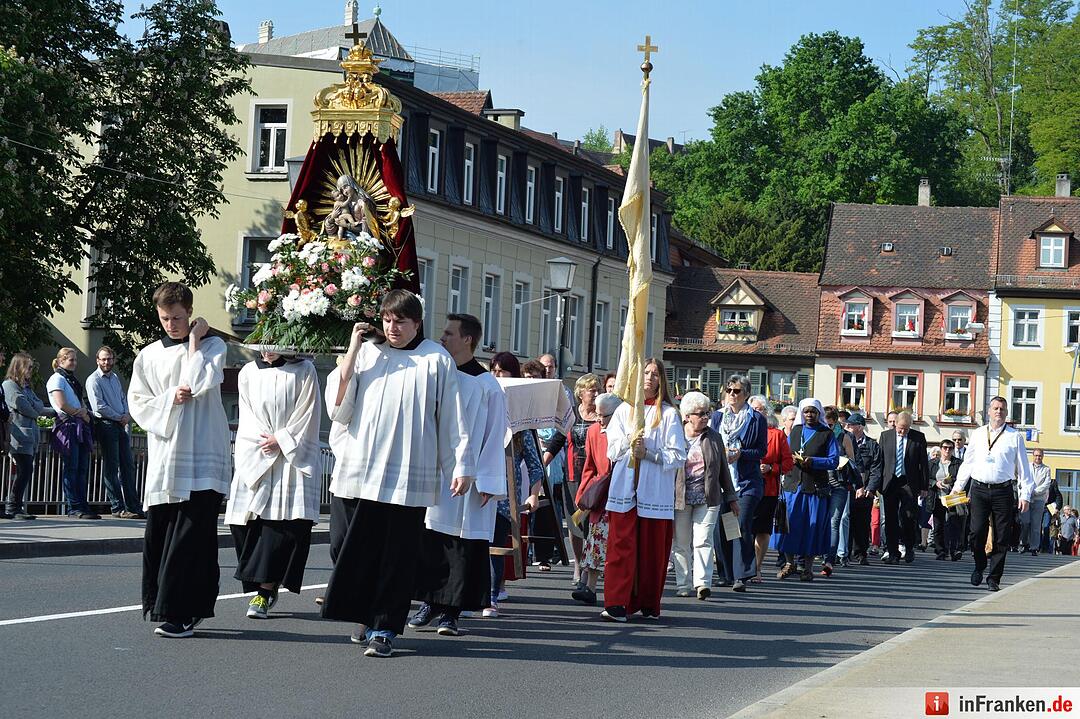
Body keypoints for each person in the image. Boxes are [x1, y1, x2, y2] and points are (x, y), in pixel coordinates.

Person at [322, 290, 472, 658]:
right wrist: (353, 349)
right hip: (361, 469)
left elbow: (452, 418)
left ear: (417, 323)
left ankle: (385, 626)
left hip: (408, 473)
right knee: (346, 545)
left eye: (400, 321)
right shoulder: (368, 355)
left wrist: (461, 465)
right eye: (387, 320)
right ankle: (364, 611)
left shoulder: (435, 360)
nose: (392, 328)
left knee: (396, 555)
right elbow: (339, 408)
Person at [128, 282, 231, 638]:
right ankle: (163, 604)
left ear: (190, 313)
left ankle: (184, 612)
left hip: (202, 456)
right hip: (167, 456)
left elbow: (200, 380)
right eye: (165, 318)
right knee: (161, 533)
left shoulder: (212, 346)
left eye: (178, 317)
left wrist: (194, 342)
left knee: (193, 537)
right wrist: (170, 397)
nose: (171, 324)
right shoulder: (149, 355)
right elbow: (139, 403)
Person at [410, 314, 509, 636]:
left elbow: (496, 436)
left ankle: (451, 612)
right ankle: (429, 602)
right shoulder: (438, 376)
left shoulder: (487, 385)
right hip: (435, 472)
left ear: (467, 339)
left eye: (448, 334)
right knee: (432, 541)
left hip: (471, 476)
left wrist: (488, 481)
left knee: (463, 544)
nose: (442, 338)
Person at [226, 351, 322, 620]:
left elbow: (309, 411)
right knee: (242, 522)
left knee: (279, 527)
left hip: (289, 457)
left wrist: (283, 439)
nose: (268, 349)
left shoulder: (303, 371)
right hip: (256, 449)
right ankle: (261, 584)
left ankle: (265, 592)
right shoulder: (247, 372)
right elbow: (247, 414)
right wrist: (258, 445)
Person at [602, 358, 686, 622]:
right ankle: (616, 603)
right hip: (625, 486)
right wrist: (630, 441)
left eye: (655, 374)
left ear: (662, 380)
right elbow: (612, 450)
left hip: (653, 488)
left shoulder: (669, 414)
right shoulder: (623, 411)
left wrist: (648, 454)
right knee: (620, 547)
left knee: (651, 551)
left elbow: (677, 456)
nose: (649, 378)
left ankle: (648, 601)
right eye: (645, 373)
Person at [948, 396, 1035, 592]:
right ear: (988, 411)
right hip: (979, 489)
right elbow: (968, 463)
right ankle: (979, 564)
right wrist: (957, 488)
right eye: (995, 408)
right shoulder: (978, 434)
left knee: (1002, 536)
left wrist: (1025, 495)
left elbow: (1023, 469)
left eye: (1002, 409)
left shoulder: (1014, 437)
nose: (998, 412)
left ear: (1006, 413)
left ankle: (994, 577)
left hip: (1003, 490)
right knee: (976, 532)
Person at [489, 352, 543, 617]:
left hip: (505, 496)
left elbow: (535, 465)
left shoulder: (521, 426)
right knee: (474, 544)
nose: (497, 376)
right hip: (478, 493)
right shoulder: (483, 412)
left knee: (497, 545)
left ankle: (491, 596)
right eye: (494, 371)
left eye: (503, 371)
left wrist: (534, 495)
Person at [673, 391, 735, 600]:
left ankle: (702, 583)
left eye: (707, 413)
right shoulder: (676, 435)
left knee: (703, 540)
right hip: (680, 497)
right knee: (682, 543)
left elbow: (724, 469)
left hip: (708, 497)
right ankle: (683, 583)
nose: (705, 417)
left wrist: (731, 497)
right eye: (700, 414)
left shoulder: (713, 437)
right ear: (687, 416)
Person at [709, 376, 766, 592]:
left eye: (737, 391)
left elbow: (761, 451)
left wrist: (741, 454)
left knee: (741, 524)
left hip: (747, 481)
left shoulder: (756, 419)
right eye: (729, 390)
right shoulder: (717, 417)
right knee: (722, 528)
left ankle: (742, 575)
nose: (732, 394)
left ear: (746, 394)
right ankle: (726, 573)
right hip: (722, 480)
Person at [772, 399, 839, 581]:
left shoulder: (826, 434)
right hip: (792, 487)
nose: (809, 415)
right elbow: (783, 453)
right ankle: (789, 563)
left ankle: (807, 568)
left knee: (812, 527)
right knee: (788, 525)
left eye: (813, 412)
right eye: (807, 412)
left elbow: (834, 460)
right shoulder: (795, 430)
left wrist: (813, 461)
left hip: (814, 488)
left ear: (819, 414)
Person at [542, 373, 600, 581]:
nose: (595, 393)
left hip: (596, 477)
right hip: (573, 476)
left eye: (597, 389)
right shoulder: (572, 415)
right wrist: (541, 464)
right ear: (580, 393)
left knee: (592, 523)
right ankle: (578, 564)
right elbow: (557, 441)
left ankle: (589, 566)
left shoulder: (603, 416)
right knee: (574, 523)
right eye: (591, 389)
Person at [572, 392, 621, 606]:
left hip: (623, 496)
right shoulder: (593, 431)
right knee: (595, 541)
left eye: (604, 416)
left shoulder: (629, 431)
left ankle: (619, 591)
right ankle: (590, 588)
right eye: (597, 415)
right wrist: (583, 493)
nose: (599, 420)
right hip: (601, 496)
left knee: (619, 547)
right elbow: (589, 466)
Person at [85, 345, 144, 519]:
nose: (106, 362)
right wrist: (119, 416)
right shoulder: (93, 380)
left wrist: (126, 414)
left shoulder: (115, 377)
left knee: (128, 466)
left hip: (119, 424)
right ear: (97, 360)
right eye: (103, 359)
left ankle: (134, 507)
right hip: (106, 425)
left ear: (113, 360)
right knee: (112, 467)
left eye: (109, 359)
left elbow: (122, 398)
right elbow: (99, 407)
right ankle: (118, 507)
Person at [869, 411, 929, 565]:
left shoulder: (918, 438)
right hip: (890, 482)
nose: (903, 432)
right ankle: (892, 552)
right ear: (895, 424)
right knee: (890, 518)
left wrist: (924, 486)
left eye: (906, 429)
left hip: (909, 482)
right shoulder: (885, 436)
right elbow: (879, 462)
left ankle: (909, 548)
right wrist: (875, 484)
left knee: (908, 516)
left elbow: (923, 464)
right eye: (901, 428)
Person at [47, 347, 98, 519]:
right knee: (71, 467)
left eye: (75, 360)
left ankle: (82, 504)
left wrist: (84, 413)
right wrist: (81, 413)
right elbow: (61, 404)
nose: (74, 363)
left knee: (82, 468)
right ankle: (73, 506)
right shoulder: (57, 379)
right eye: (71, 360)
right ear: (61, 361)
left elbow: (77, 401)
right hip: (68, 425)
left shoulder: (71, 380)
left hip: (79, 424)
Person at [4, 352, 54, 520]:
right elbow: (24, 406)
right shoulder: (9, 385)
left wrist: (34, 408)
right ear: (19, 367)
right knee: (23, 470)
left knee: (26, 471)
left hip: (29, 436)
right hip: (18, 436)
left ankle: (16, 506)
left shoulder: (26, 387)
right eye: (29, 367)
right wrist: (34, 409)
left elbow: (38, 405)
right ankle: (13, 506)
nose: (31, 371)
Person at [748, 397, 792, 582]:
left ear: (766, 413)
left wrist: (771, 468)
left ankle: (756, 568)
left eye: (760, 410)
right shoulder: (742, 430)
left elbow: (788, 463)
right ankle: (742, 567)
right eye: (753, 409)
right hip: (745, 486)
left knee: (762, 530)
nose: (757, 413)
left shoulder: (776, 435)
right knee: (744, 528)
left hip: (769, 489)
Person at [821, 406, 859, 575]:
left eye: (830, 424)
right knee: (821, 521)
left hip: (839, 484)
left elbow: (852, 461)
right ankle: (822, 553)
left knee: (834, 522)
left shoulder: (844, 437)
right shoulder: (818, 434)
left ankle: (830, 560)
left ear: (835, 422)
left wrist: (841, 460)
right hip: (821, 483)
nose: (828, 427)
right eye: (825, 423)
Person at [846, 413, 882, 565]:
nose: (847, 427)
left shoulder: (872, 445)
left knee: (862, 522)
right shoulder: (844, 442)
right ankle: (844, 553)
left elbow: (876, 468)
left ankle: (861, 553)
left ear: (859, 427)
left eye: (850, 425)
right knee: (845, 521)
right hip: (848, 488)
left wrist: (871, 488)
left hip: (865, 490)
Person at [928, 439, 963, 561]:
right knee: (938, 525)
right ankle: (941, 550)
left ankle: (954, 550)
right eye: (944, 447)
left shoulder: (958, 463)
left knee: (953, 523)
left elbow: (963, 479)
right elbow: (927, 478)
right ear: (940, 448)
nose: (947, 450)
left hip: (952, 496)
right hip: (937, 497)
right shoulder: (932, 463)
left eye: (950, 448)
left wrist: (952, 484)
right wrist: (935, 483)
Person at [1020, 449, 1052, 555]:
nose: (1038, 458)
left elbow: (1046, 484)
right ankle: (1024, 543)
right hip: (1026, 498)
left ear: (1042, 457)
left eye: (1040, 456)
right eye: (1036, 455)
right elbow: (1021, 480)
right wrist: (1026, 493)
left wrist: (1035, 492)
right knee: (1025, 522)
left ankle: (1034, 547)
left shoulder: (1046, 469)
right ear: (1033, 456)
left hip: (1039, 499)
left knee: (1036, 524)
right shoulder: (1027, 467)